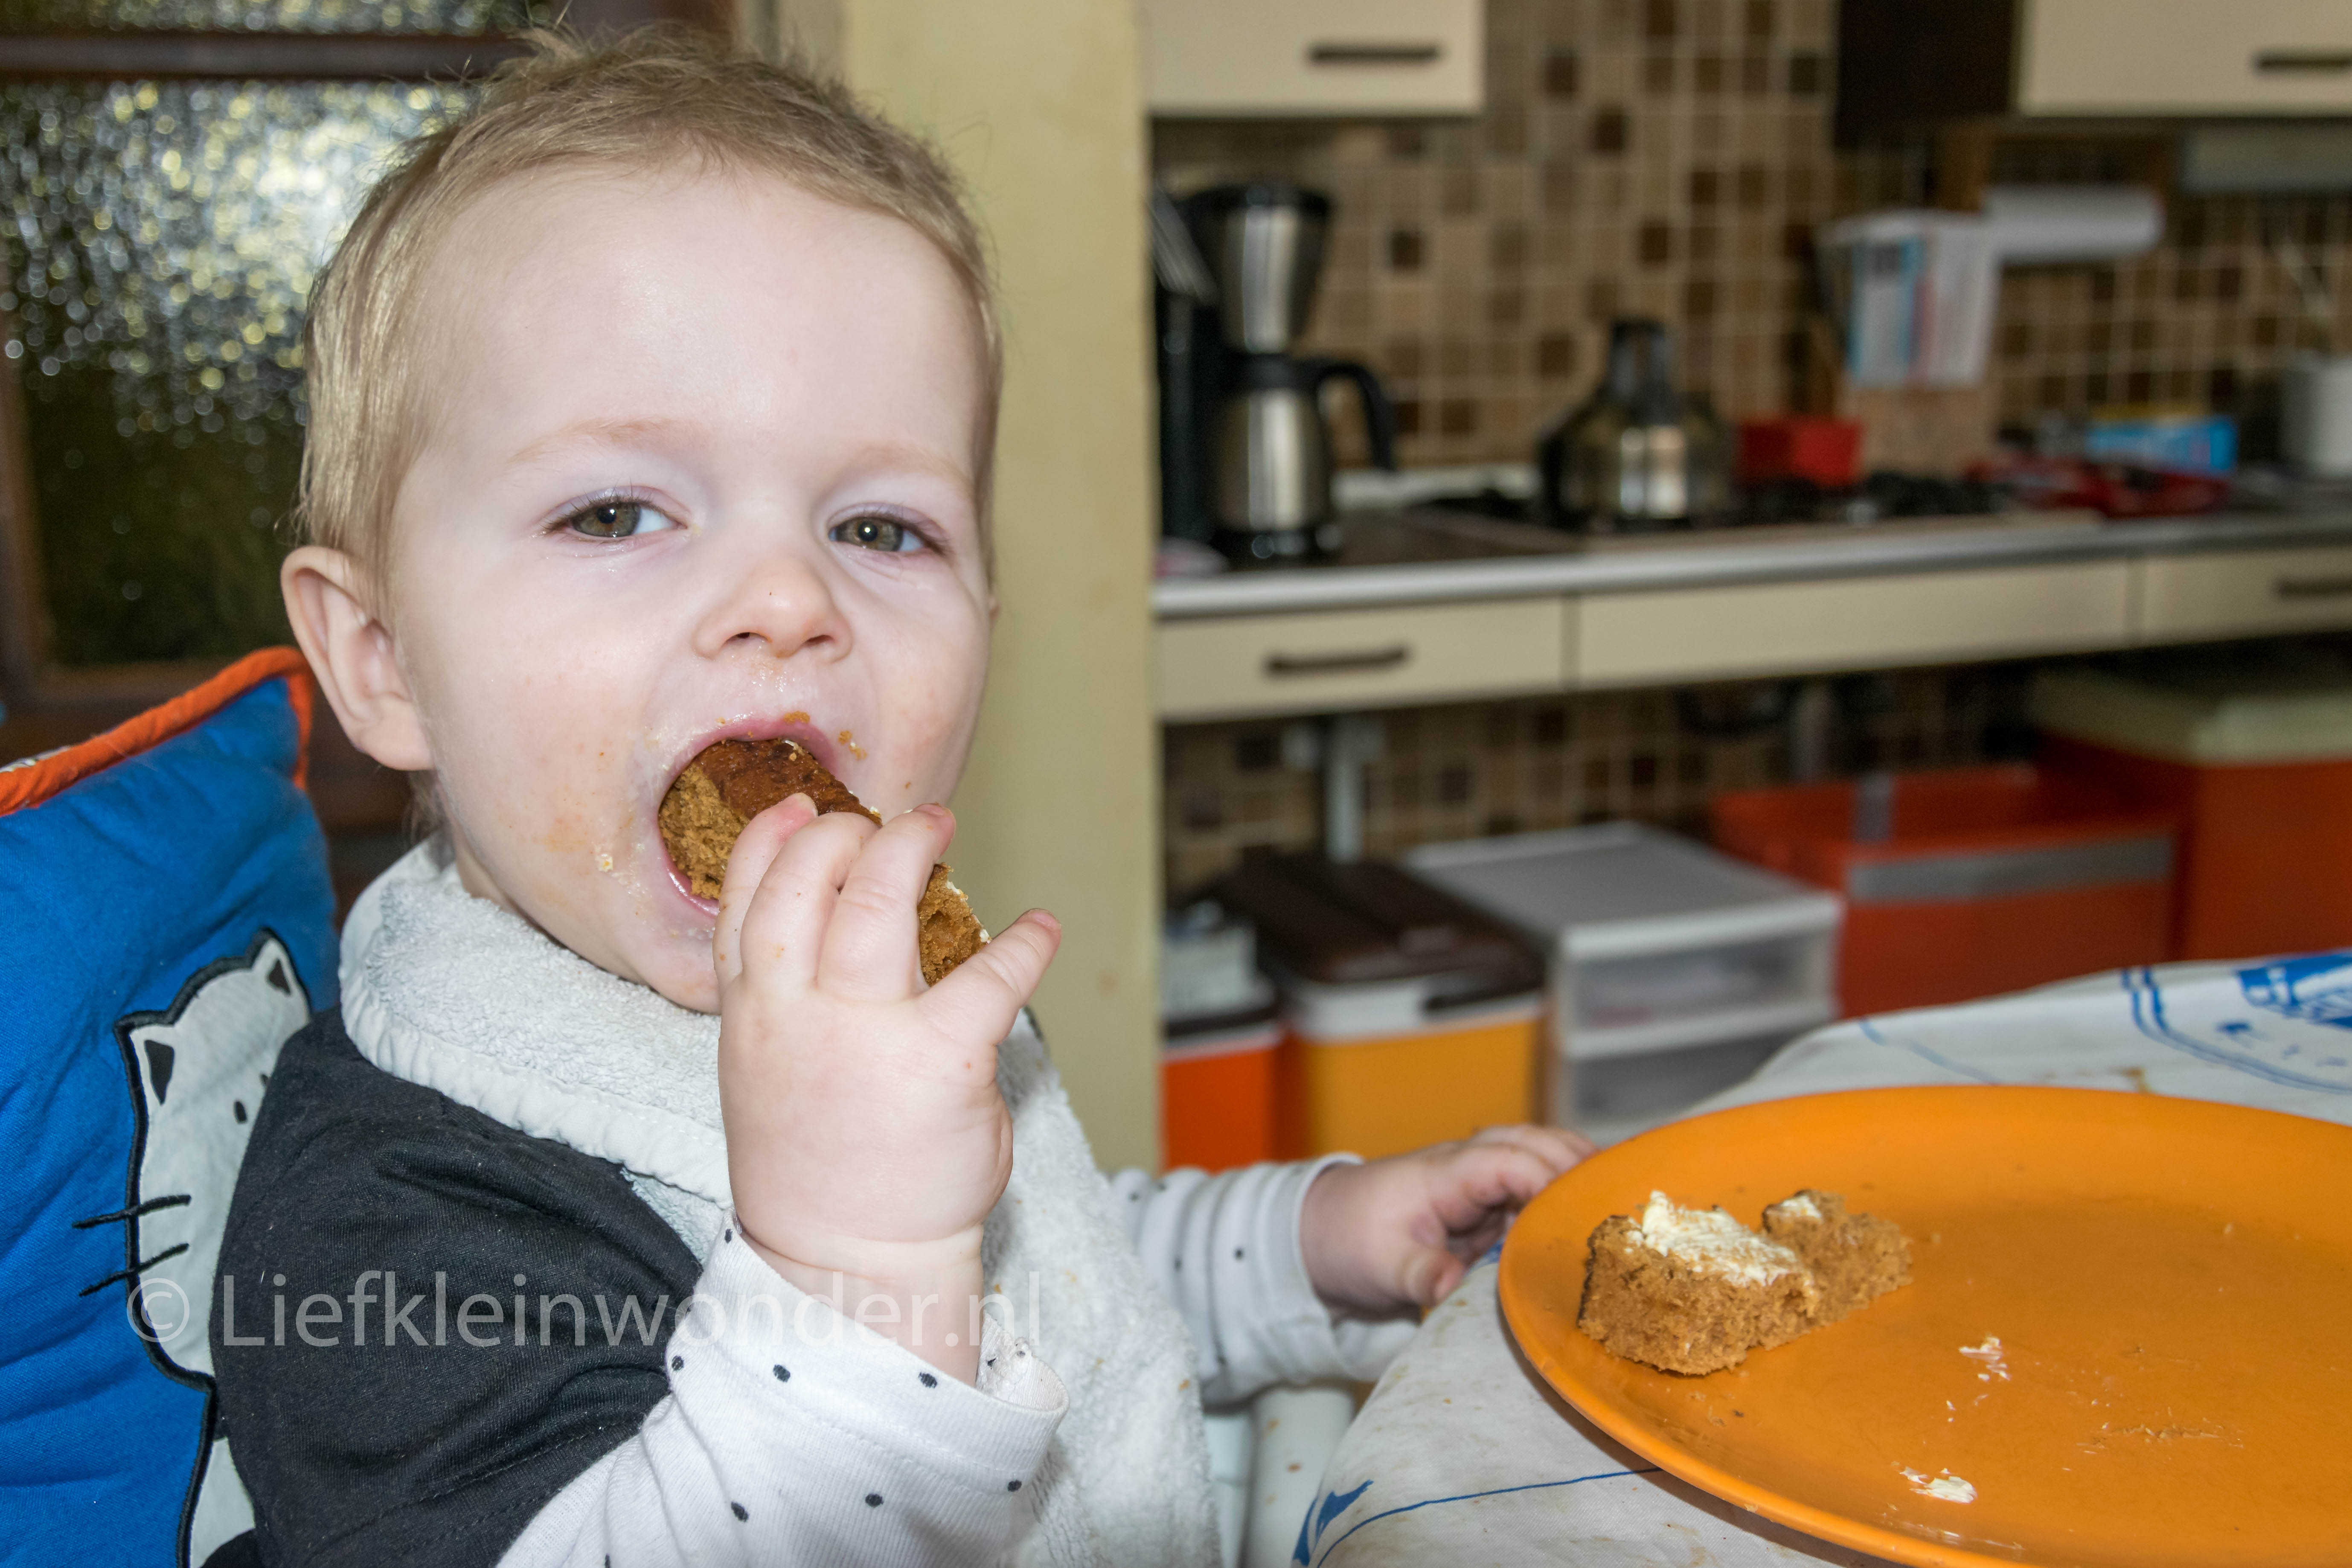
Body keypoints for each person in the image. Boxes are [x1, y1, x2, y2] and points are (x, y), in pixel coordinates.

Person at [214, 27, 1589, 1568]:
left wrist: (1309, 1250)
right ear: (385, 658)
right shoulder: (382, 1219)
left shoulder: (888, 974)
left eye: (880, 527)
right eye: (615, 509)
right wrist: (857, 1266)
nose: (787, 598)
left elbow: (1052, 1270)